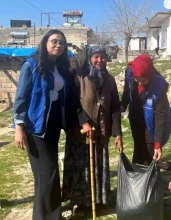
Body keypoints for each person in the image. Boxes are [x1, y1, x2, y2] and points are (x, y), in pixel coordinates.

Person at [13, 29, 72, 220]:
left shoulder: (60, 68)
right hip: (35, 127)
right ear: (45, 43)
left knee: (44, 175)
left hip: (52, 125)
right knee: (48, 173)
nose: (58, 45)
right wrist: (19, 128)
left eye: (61, 43)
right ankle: (49, 216)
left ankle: (45, 215)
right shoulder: (31, 66)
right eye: (54, 41)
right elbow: (21, 97)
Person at [62, 45, 123, 212]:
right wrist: (84, 121)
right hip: (80, 133)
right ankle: (80, 203)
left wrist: (117, 132)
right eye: (96, 56)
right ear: (89, 57)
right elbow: (73, 101)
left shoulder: (109, 79)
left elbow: (115, 107)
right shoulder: (79, 75)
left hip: (101, 131)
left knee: (98, 166)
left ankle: (98, 201)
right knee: (81, 168)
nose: (99, 60)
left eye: (102, 57)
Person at [120, 54, 171, 165]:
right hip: (136, 115)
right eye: (137, 79)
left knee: (150, 148)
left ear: (149, 76)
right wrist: (122, 106)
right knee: (138, 145)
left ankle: (151, 177)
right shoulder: (130, 72)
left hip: (152, 118)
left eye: (143, 80)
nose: (139, 83)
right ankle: (138, 176)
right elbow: (127, 91)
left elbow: (160, 116)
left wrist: (158, 143)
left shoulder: (159, 85)